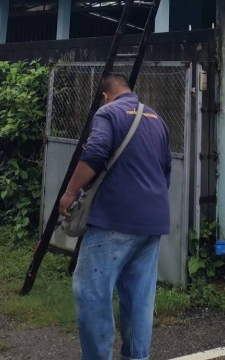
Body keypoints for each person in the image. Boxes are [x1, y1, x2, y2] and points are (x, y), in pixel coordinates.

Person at [59, 73, 171, 360]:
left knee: (91, 294)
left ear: (106, 95)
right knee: (138, 299)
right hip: (152, 222)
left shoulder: (108, 112)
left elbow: (95, 153)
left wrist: (71, 193)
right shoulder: (156, 118)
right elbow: (165, 169)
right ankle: (136, 357)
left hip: (113, 219)